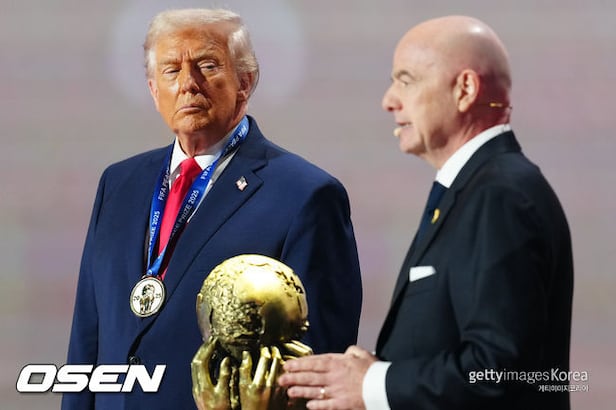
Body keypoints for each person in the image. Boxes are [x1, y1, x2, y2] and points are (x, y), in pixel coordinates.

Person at [62, 8, 362, 410]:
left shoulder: (306, 195)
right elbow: (87, 337)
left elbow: (315, 362)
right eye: (171, 70)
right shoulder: (118, 184)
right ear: (153, 89)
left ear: (245, 81)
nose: (188, 83)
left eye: (206, 65)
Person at [278, 15, 573, 410]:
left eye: (406, 80)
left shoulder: (499, 195)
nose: (389, 100)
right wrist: (379, 371)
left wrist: (374, 384)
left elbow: (499, 371)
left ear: (465, 89)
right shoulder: (477, 188)